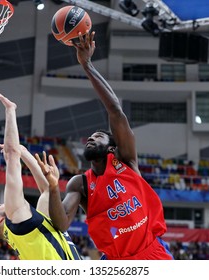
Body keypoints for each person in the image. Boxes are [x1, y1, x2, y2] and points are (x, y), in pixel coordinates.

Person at [36, 30, 173, 260]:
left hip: (151, 254)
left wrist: (87, 65)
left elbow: (115, 112)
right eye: (90, 136)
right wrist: (52, 187)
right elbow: (61, 225)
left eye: (98, 135)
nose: (91, 138)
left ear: (112, 147)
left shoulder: (126, 161)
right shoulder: (79, 184)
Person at [0, 91, 81, 260]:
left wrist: (25, 153)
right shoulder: (16, 218)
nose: (5, 202)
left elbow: (48, 190)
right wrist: (10, 110)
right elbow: (11, 155)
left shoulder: (29, 229)